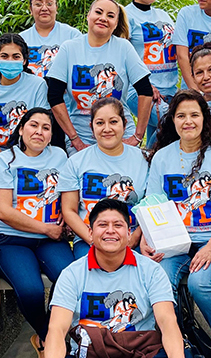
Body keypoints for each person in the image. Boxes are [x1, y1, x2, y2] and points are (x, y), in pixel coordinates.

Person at [39, 198, 193, 358]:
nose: (110, 231)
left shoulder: (151, 270)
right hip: (90, 357)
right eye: (102, 225)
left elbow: (167, 322)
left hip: (138, 354)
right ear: (90, 232)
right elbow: (57, 330)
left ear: (129, 232)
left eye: (118, 225)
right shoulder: (72, 274)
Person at [144, 90, 211, 346]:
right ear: (172, 121)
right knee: (161, 282)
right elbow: (152, 204)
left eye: (194, 115)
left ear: (204, 118)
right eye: (181, 116)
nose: (188, 121)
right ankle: (178, 343)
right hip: (175, 242)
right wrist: (146, 239)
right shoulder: (162, 157)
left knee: (200, 284)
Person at [0, 108, 73, 358]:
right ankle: (47, 337)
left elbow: (69, 192)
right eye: (33, 125)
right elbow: (3, 211)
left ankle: (52, 335)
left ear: (51, 134)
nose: (39, 131)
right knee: (31, 289)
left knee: (68, 278)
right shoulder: (5, 160)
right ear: (21, 129)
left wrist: (66, 214)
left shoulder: (59, 156)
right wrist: (45, 227)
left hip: (50, 240)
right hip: (12, 239)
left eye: (46, 128)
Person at [46, 0, 153, 151]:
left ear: (116, 23)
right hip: (82, 136)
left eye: (110, 16)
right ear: (88, 15)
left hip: (119, 134)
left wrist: (137, 136)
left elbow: (145, 91)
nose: (103, 18)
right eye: (99, 12)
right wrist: (74, 139)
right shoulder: (69, 48)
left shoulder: (124, 48)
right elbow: (54, 96)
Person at [60, 98, 149, 259]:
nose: (107, 129)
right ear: (92, 128)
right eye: (100, 123)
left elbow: (151, 204)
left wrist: (134, 237)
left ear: (124, 124)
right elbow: (69, 210)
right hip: (89, 241)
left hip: (131, 241)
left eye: (113, 122)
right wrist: (92, 238)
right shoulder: (76, 162)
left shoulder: (144, 160)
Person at [124, 0, 179, 145]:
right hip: (142, 91)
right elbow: (120, 55)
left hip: (170, 89)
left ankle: (148, 169)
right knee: (174, 126)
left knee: (158, 141)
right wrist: (145, 85)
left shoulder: (163, 14)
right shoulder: (125, 15)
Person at [0, 34, 50, 157]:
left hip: (28, 154)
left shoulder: (37, 85)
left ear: (24, 60)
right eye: (4, 56)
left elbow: (40, 126)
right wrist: (1, 163)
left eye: (16, 56)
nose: (10, 61)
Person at [20, 0, 82, 78]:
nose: (44, 8)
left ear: (56, 7)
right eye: (38, 4)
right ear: (31, 9)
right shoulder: (21, 39)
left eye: (49, 3)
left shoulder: (73, 36)